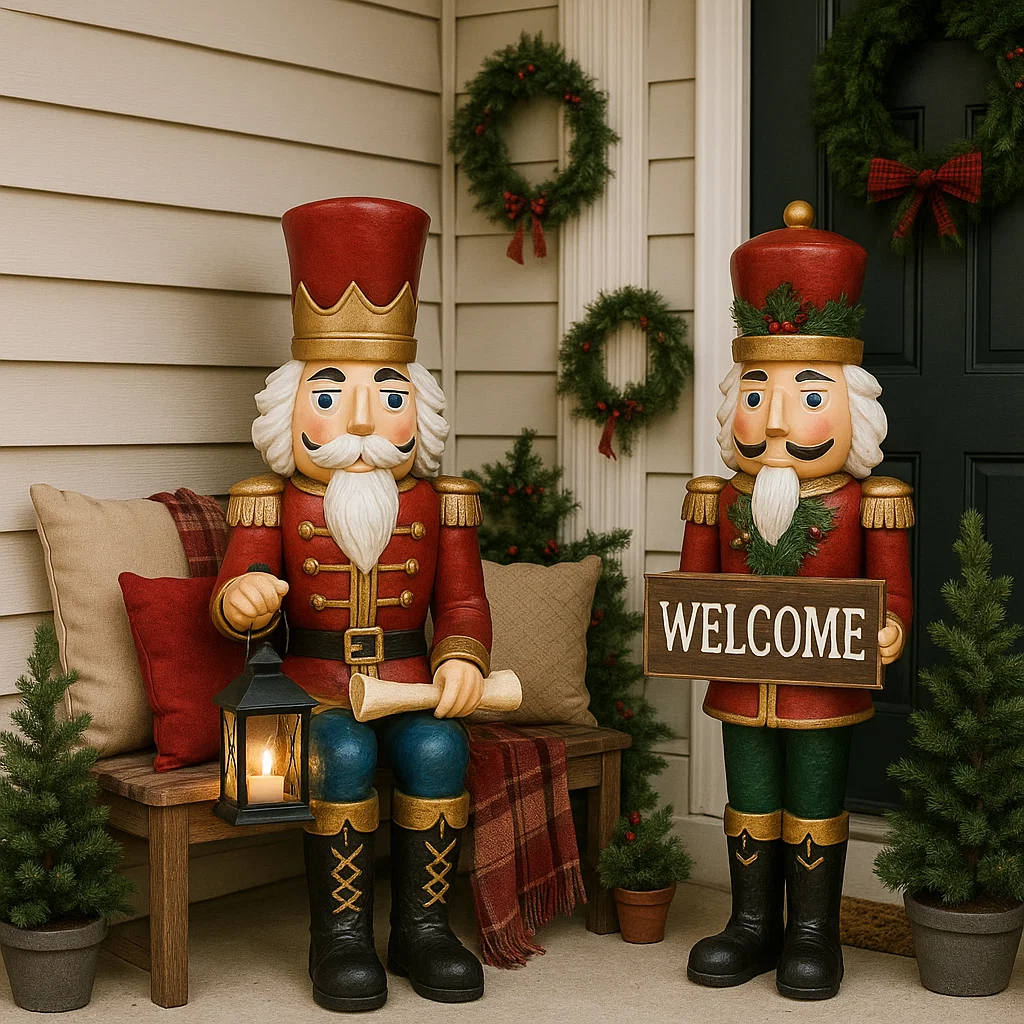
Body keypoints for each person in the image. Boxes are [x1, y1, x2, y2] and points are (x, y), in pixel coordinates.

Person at [211, 197, 490, 1011]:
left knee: (438, 750)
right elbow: (231, 597)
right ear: (291, 406)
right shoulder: (271, 499)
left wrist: (462, 659)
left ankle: (423, 930)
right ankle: (338, 938)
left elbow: (463, 603)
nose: (362, 419)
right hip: (315, 686)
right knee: (340, 755)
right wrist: (243, 597)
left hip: (409, 683)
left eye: (389, 397)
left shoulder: (441, 503)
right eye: (330, 397)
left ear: (419, 409)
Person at [682, 201, 913, 1001]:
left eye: (809, 397)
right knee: (749, 798)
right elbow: (696, 588)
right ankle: (753, 922)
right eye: (757, 394)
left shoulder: (869, 501)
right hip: (742, 686)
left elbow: (894, 593)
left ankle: (814, 930)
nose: (776, 419)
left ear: (854, 408)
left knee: (813, 800)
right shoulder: (718, 498)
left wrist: (888, 626)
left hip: (823, 689)